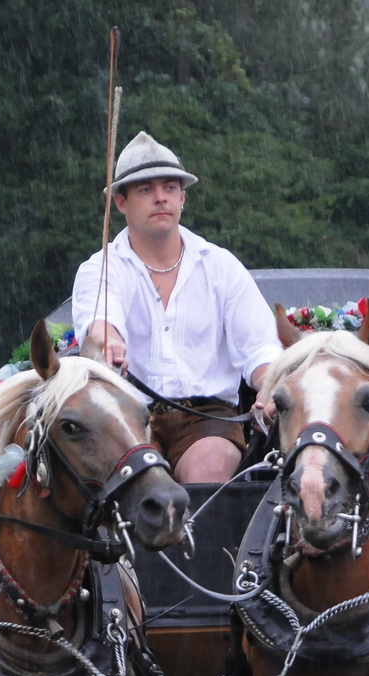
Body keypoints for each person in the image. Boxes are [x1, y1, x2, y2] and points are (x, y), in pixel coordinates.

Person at [71, 131, 281, 484]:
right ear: (120, 202)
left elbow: (259, 346)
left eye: (170, 188)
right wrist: (108, 341)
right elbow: (101, 323)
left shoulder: (222, 266)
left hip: (209, 418)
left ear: (183, 197)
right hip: (127, 416)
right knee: (141, 481)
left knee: (209, 469)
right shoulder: (100, 268)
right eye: (145, 189)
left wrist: (271, 385)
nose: (160, 198)